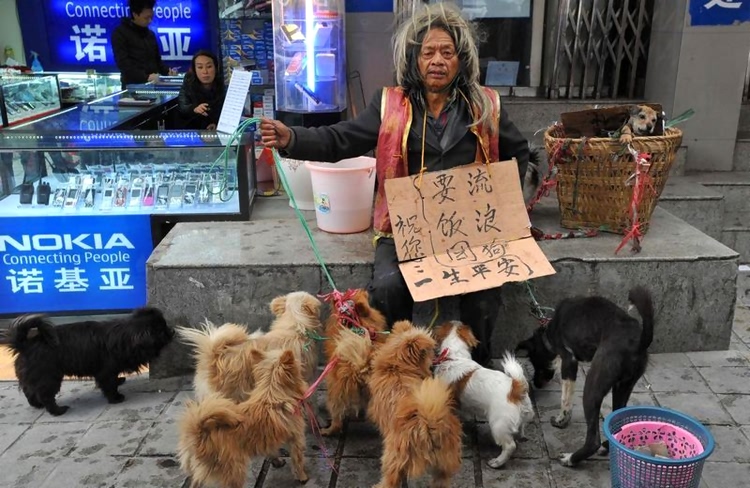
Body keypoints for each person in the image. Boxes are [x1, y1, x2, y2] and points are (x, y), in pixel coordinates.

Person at [259, 3, 530, 366]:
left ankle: (476, 374)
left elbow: (519, 153)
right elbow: (341, 139)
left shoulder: (486, 105)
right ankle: (393, 369)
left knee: (485, 292)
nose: (437, 60)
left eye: (446, 52)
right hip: (405, 227)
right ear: (415, 59)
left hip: (467, 230)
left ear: (460, 60)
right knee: (388, 285)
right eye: (428, 52)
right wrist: (292, 136)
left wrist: (508, 210)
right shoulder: (390, 104)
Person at [111, 0, 175, 89]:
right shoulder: (120, 34)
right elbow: (123, 64)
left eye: (151, 17)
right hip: (132, 88)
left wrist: (168, 71)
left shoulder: (150, 35)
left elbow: (157, 61)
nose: (150, 21)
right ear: (135, 14)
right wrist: (146, 77)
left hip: (153, 86)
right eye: (146, 18)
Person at [177, 50, 226, 130]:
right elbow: (183, 106)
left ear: (216, 68)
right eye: (200, 67)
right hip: (193, 131)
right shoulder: (188, 82)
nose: (205, 72)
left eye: (209, 67)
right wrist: (194, 108)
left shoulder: (223, 84)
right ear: (194, 70)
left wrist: (216, 123)